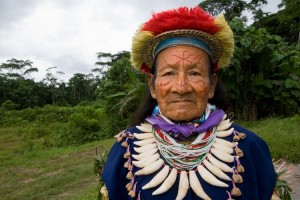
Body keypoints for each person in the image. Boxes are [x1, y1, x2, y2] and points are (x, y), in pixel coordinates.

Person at [102, 6, 276, 200]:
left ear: (211, 85)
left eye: (194, 73)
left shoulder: (250, 149)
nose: (181, 87)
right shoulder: (125, 150)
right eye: (169, 73)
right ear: (152, 85)